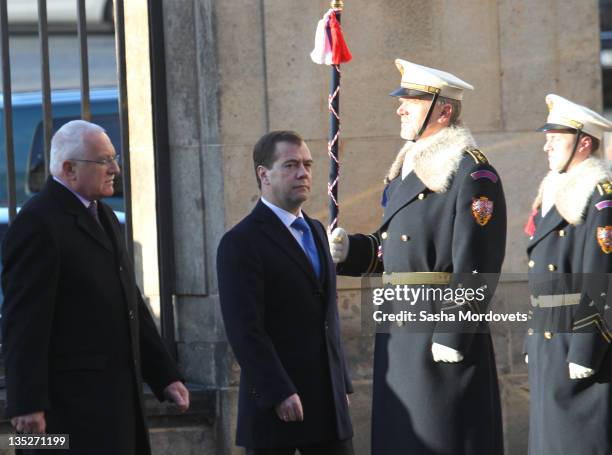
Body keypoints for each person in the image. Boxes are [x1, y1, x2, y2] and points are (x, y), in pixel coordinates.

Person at [330, 59, 507, 454]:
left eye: (411, 101)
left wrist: (453, 333)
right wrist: (352, 251)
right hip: (400, 327)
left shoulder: (472, 174)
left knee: (440, 437)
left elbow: (477, 262)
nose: (400, 108)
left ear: (443, 111)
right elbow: (392, 251)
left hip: (438, 331)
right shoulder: (408, 170)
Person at [1, 120, 189, 454]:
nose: (115, 169)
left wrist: (164, 375)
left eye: (114, 158)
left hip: (113, 403)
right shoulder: (38, 222)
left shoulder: (102, 214)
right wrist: (26, 402)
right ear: (69, 169)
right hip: (61, 413)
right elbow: (23, 320)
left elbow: (127, 301)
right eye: (103, 161)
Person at [216, 131, 354, 455]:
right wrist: (277, 391)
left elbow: (327, 318)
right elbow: (245, 330)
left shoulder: (318, 231)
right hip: (277, 411)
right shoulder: (241, 242)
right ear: (264, 174)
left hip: (328, 407)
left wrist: (341, 383)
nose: (303, 173)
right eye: (290, 165)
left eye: (307, 164)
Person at [523, 94, 612, 454]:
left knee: (577, 440)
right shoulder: (555, 191)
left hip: (578, 336)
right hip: (550, 334)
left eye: (555, 139)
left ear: (583, 143)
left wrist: (586, 348)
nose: (546, 145)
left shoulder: (600, 197)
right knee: (549, 439)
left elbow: (600, 276)